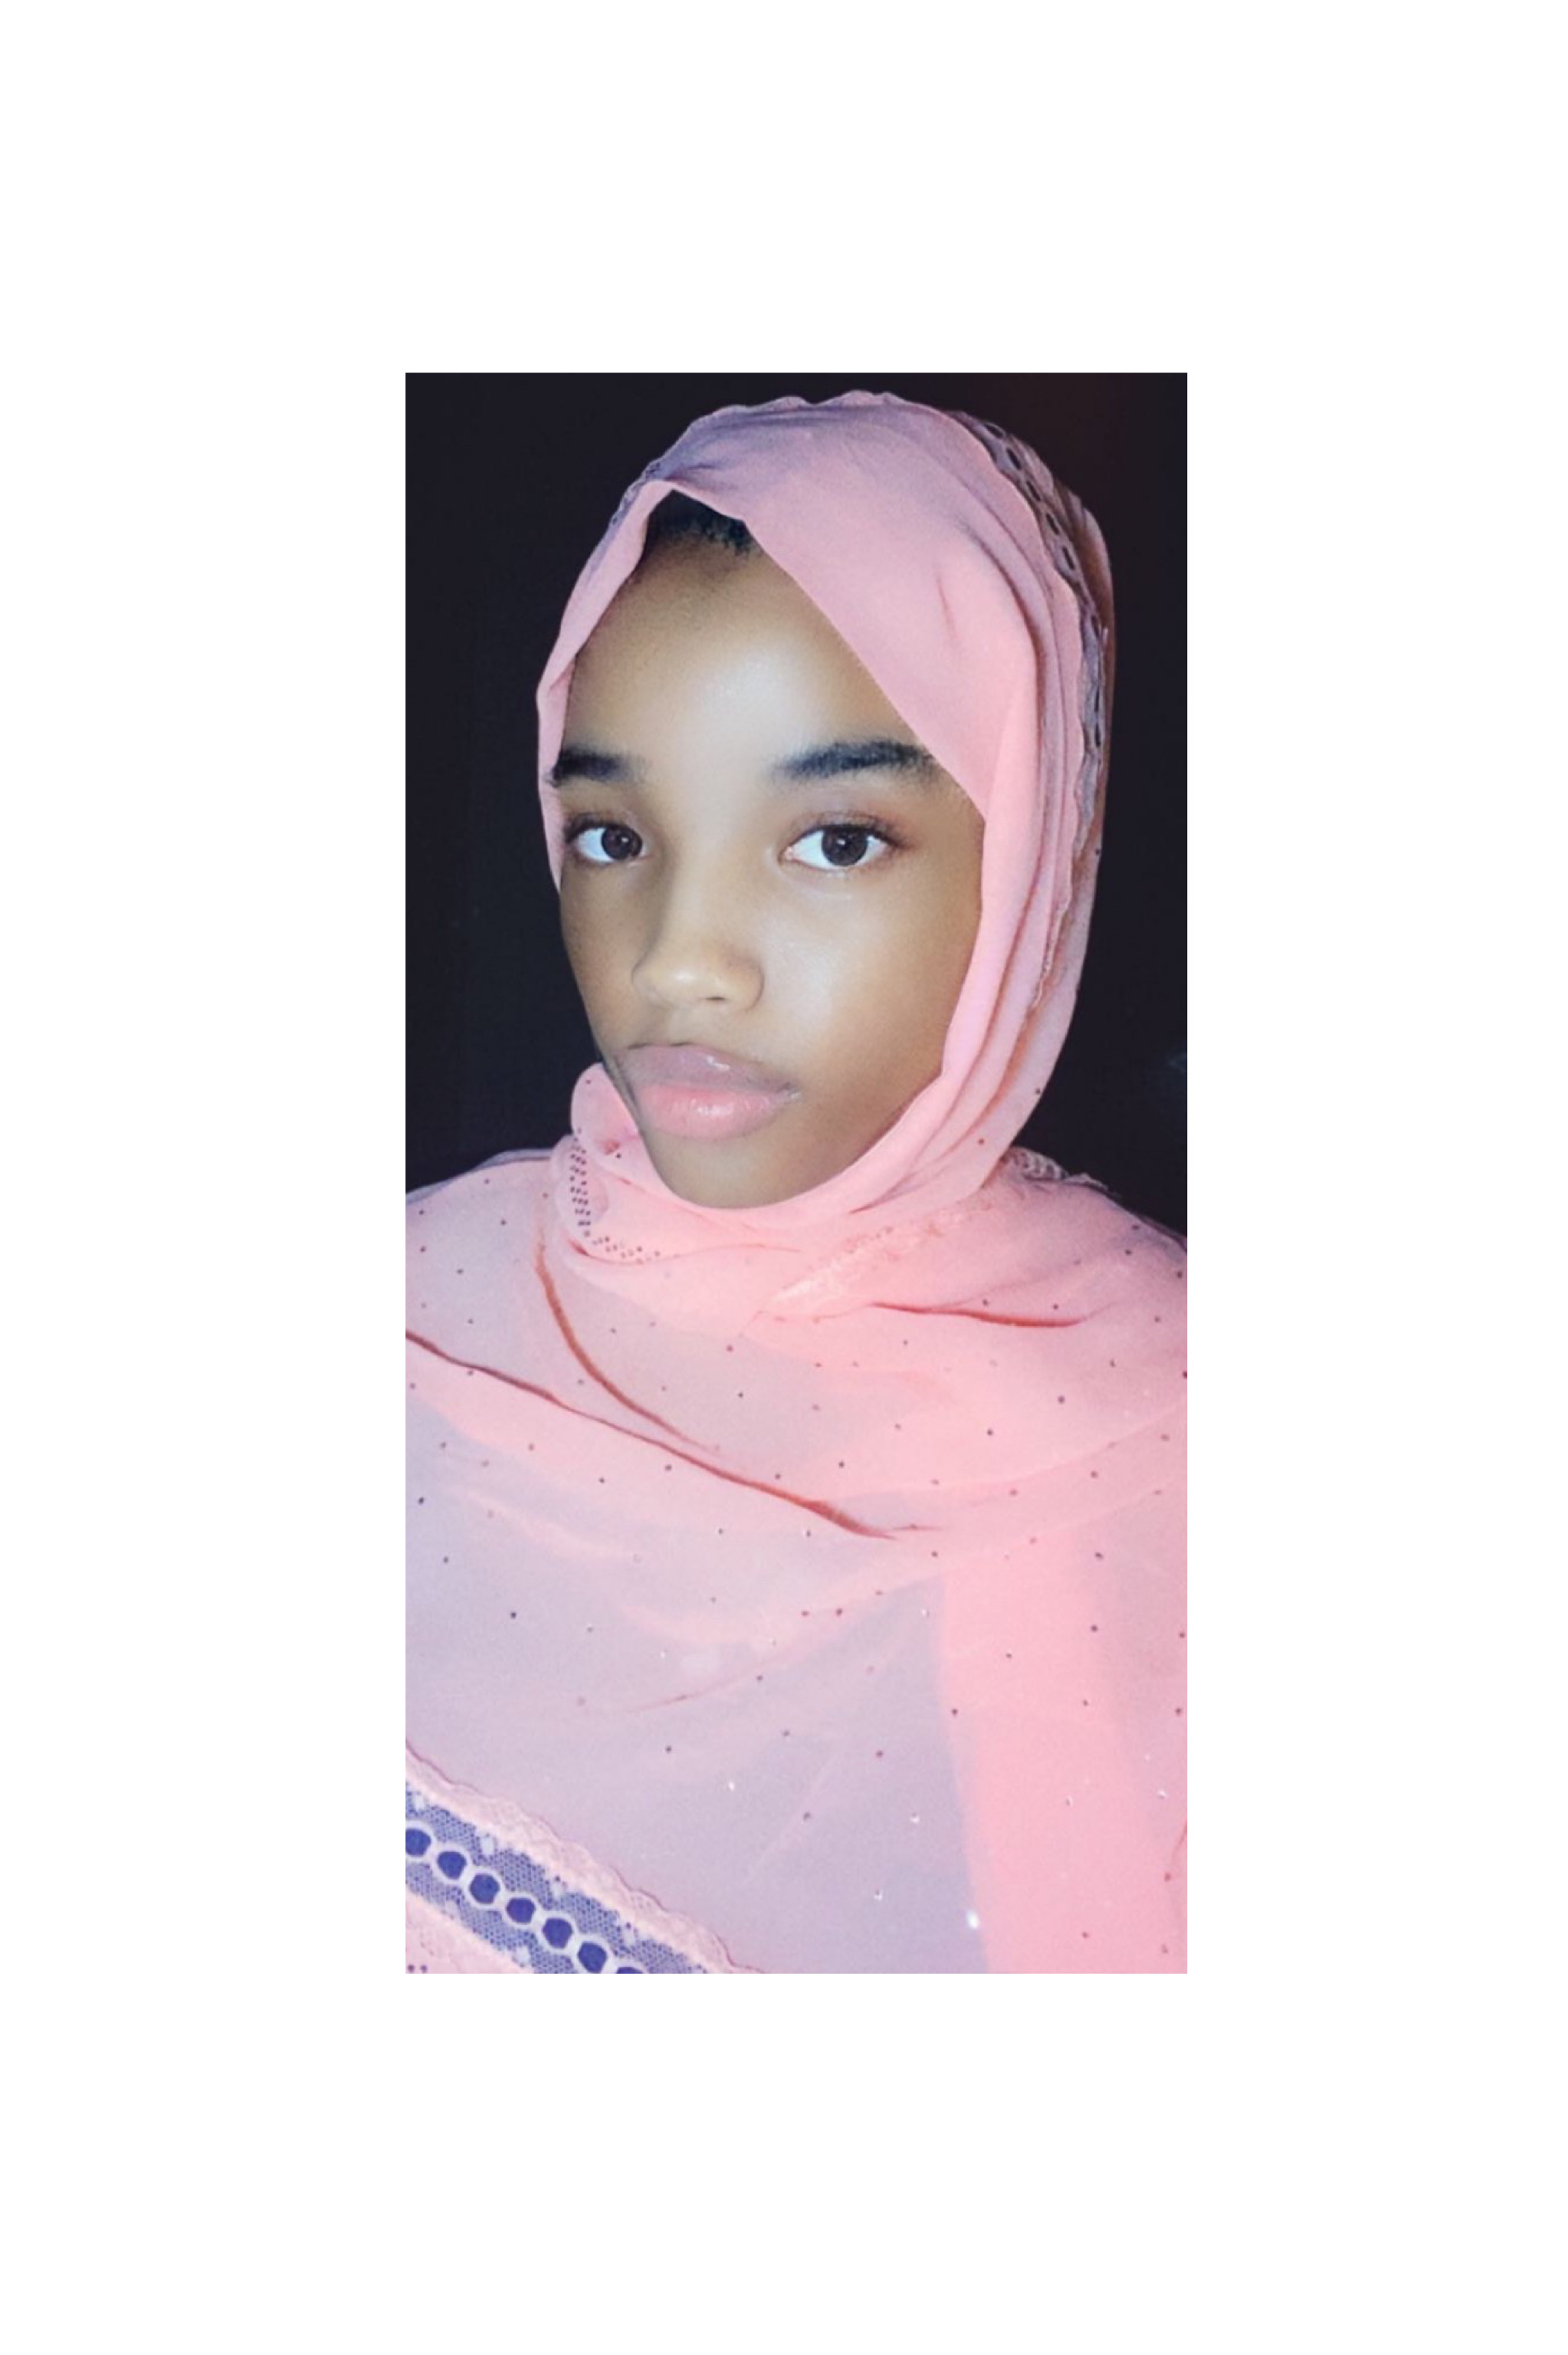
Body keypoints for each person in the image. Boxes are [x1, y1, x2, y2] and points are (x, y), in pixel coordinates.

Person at [405, 391, 1186, 1974]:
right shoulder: (417, 1306)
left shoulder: (1174, 1430)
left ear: (1035, 846)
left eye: (833, 841)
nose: (679, 962)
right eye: (614, 835)